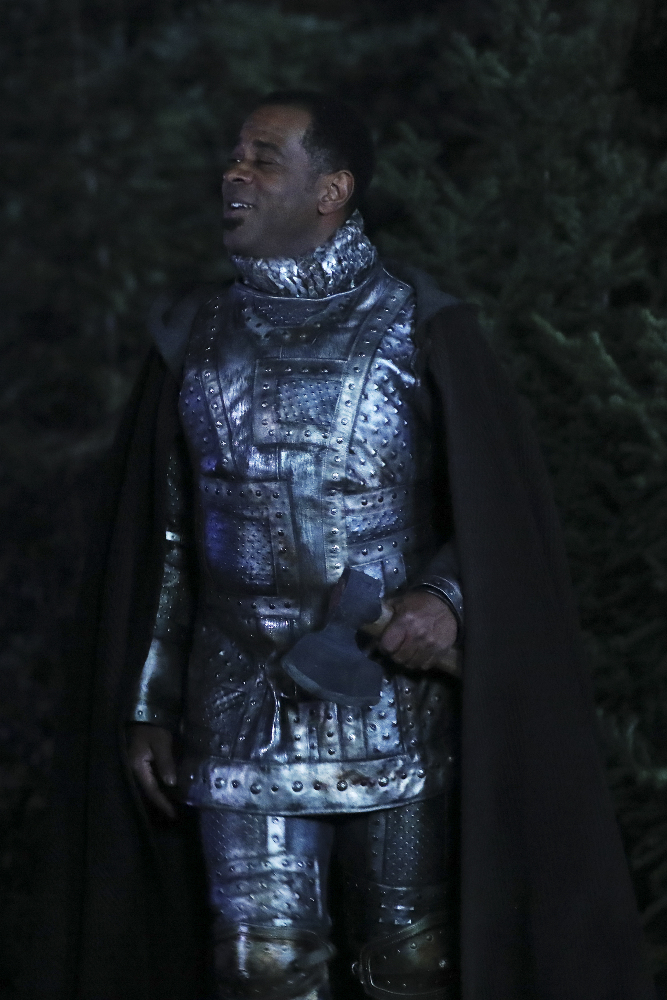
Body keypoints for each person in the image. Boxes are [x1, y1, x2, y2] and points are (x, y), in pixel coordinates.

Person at [24, 91, 655, 1000]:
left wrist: (445, 601)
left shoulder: (421, 326)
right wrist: (148, 701)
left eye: (262, 157)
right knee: (262, 970)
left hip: (393, 705)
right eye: (234, 155)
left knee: (408, 967)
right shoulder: (194, 339)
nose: (234, 173)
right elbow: (164, 537)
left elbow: (495, 522)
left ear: (332, 190)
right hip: (237, 700)